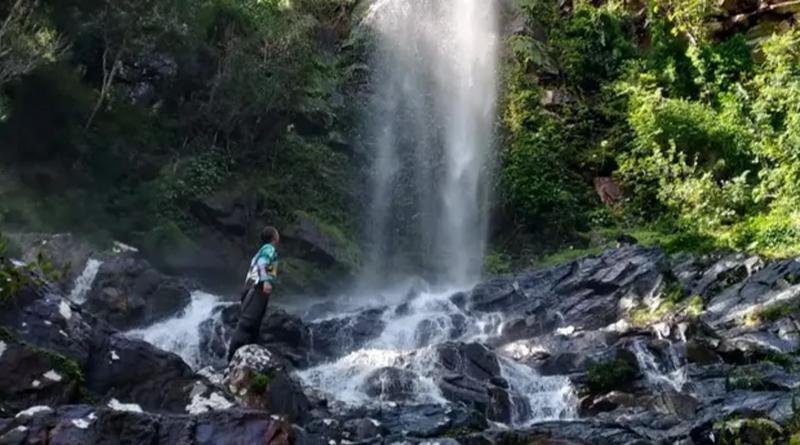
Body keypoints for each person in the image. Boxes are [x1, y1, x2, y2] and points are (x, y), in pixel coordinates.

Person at [227, 226, 280, 362]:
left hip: (252, 287)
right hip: (257, 287)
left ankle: (250, 360)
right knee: (247, 324)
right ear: (274, 237)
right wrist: (265, 281)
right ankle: (231, 360)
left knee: (254, 327)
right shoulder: (269, 248)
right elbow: (262, 263)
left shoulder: (261, 251)